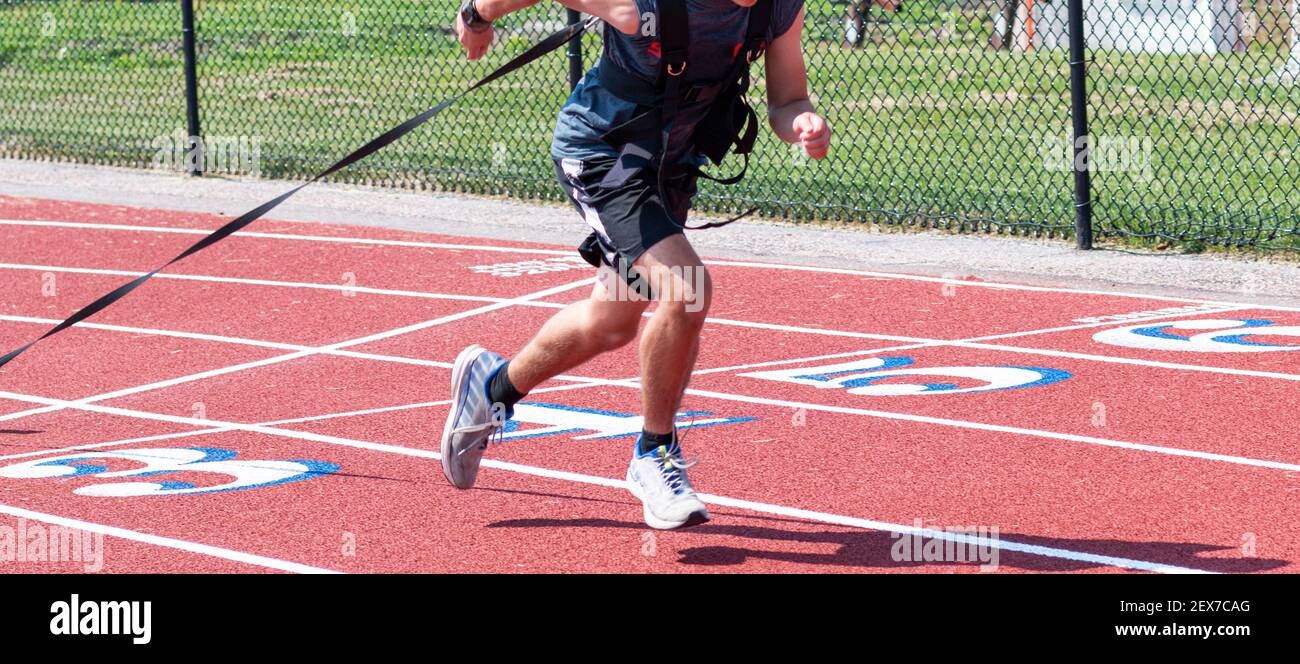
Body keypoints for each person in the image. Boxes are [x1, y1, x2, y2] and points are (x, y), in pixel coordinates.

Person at [443, 0, 831, 529]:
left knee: (612, 320)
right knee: (687, 288)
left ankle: (492, 388)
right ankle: (654, 454)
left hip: (668, 163)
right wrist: (476, 15)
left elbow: (787, 98)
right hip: (603, 152)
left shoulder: (779, 7)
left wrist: (802, 123)